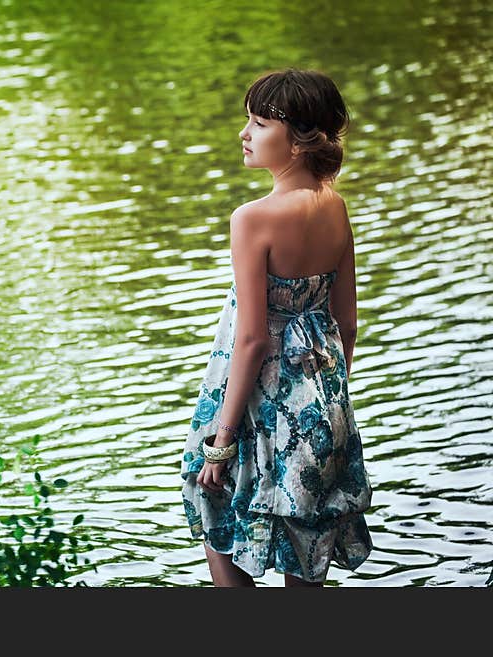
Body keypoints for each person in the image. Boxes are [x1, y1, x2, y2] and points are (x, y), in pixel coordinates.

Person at [179, 68, 373, 587]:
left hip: (255, 399)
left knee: (211, 496)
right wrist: (330, 400)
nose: (244, 133)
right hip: (321, 402)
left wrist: (222, 439)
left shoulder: (253, 218)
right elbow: (347, 323)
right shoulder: (334, 205)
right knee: (305, 544)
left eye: (259, 123)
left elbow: (253, 337)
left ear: (298, 141)